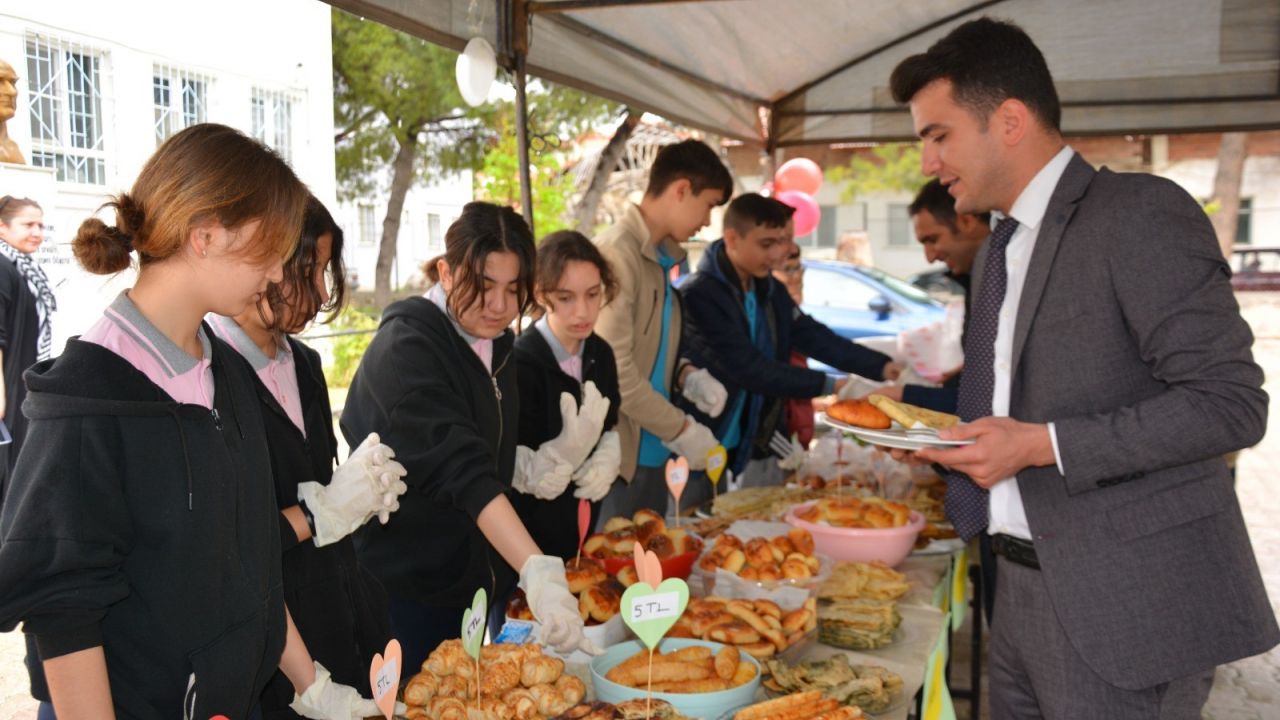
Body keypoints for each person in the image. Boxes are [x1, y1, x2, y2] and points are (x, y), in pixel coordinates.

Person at [890, 18, 1275, 718]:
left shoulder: (1137, 215)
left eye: (938, 135)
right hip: (1013, 587)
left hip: (1124, 609)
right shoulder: (1002, 250)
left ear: (1008, 120)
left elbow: (1230, 404)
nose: (927, 162)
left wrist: (1042, 445)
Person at [0, 123, 382, 719]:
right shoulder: (86, 399)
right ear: (206, 236)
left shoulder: (224, 373)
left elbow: (250, 555)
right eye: (273, 250)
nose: (281, 276)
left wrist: (309, 683)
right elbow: (64, 613)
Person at [340, 202, 604, 673]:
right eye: (482, 287)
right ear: (445, 271)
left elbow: (483, 447)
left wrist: (525, 465)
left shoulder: (495, 341)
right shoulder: (407, 351)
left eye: (512, 289)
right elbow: (463, 473)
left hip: (474, 583)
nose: (499, 306)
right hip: (410, 589)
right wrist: (538, 572)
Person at [209, 196, 407, 719]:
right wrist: (321, 511)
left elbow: (317, 484)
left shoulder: (306, 362)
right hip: (275, 655)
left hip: (344, 620)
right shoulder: (209, 376)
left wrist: (356, 494)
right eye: (309, 271)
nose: (321, 292)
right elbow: (221, 550)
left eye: (325, 271)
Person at [680, 193, 899, 490]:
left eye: (782, 241)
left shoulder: (767, 288)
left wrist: (884, 368)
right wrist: (833, 386)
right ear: (732, 239)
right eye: (766, 244)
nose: (777, 254)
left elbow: (814, 336)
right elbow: (750, 369)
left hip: (752, 438)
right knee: (692, 520)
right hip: (700, 437)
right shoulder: (701, 294)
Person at [592, 139, 731, 519]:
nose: (707, 220)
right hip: (619, 457)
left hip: (653, 449)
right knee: (614, 568)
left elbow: (647, 345)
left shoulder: (659, 258)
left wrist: (686, 374)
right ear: (681, 189)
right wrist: (683, 428)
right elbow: (614, 370)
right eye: (709, 206)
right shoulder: (618, 254)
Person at [511, 230, 622, 559]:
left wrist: (608, 450)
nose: (583, 312)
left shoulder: (601, 353)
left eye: (592, 295)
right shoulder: (520, 363)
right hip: (528, 541)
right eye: (566, 297)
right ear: (542, 294)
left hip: (585, 529)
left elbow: (611, 419)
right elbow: (510, 454)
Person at [770, 241, 815, 449]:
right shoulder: (770, 319)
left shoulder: (793, 314)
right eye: (788, 269)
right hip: (779, 437)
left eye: (799, 268)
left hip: (795, 431)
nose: (797, 277)